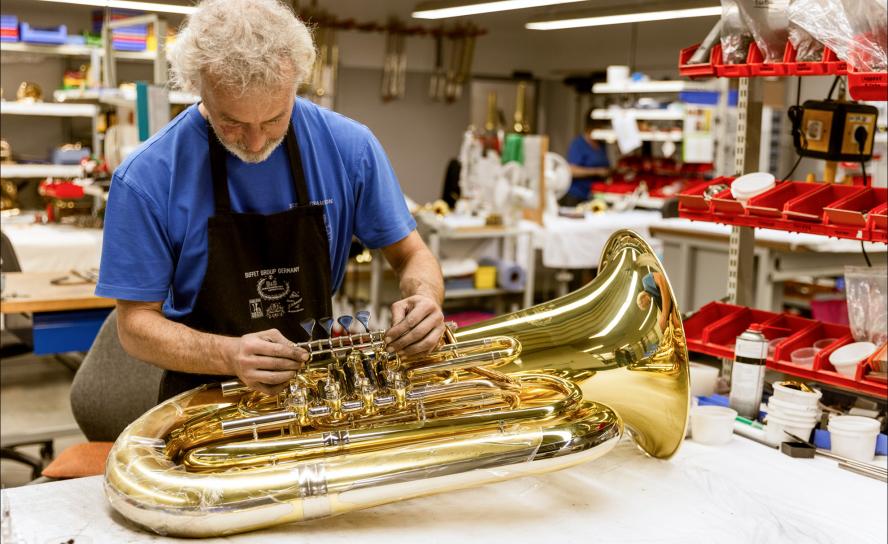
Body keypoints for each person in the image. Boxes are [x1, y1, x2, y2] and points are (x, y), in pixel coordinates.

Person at [95, 0, 444, 401]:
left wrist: (425, 300)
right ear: (198, 87)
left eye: (275, 118)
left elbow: (411, 255)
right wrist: (229, 354)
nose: (257, 143)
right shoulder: (147, 176)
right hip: (204, 393)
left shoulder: (349, 148)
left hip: (316, 387)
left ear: (295, 83)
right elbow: (136, 325)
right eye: (233, 122)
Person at [559, 110, 611, 207]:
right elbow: (572, 170)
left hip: (596, 196)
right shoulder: (578, 144)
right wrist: (597, 171)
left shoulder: (602, 144)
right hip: (577, 196)